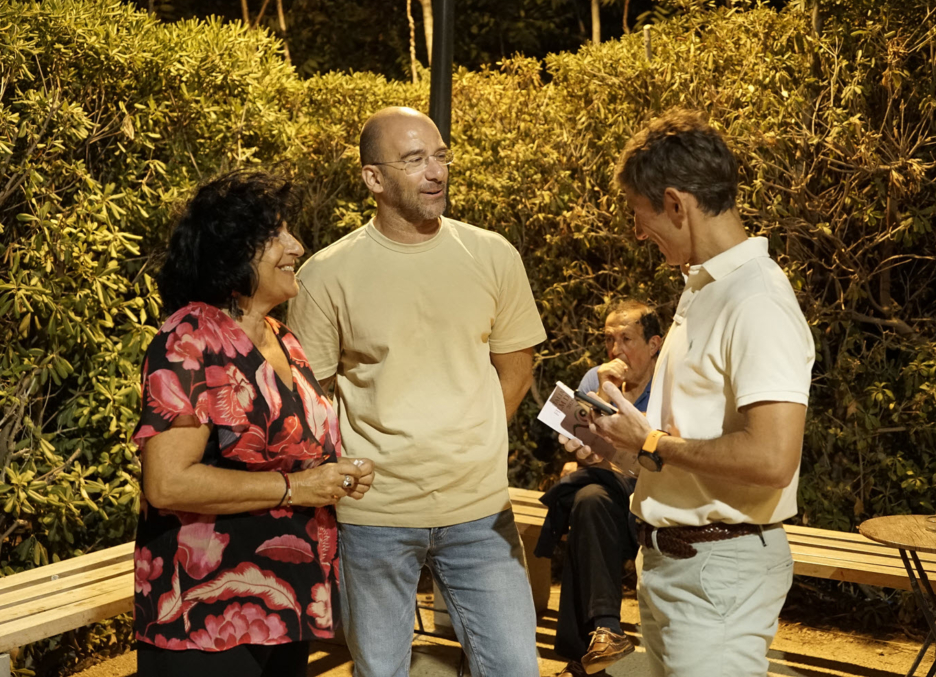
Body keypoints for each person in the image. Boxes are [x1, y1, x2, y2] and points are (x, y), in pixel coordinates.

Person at [288, 106, 547, 677]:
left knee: (514, 667)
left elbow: (516, 367)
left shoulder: (492, 254)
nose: (436, 172)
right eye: (414, 160)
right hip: (373, 516)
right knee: (381, 671)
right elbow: (311, 396)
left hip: (480, 510)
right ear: (373, 179)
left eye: (440, 156)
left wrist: (476, 444)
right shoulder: (326, 274)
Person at [562, 110, 815, 677]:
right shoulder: (704, 290)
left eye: (639, 212)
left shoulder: (756, 300)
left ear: (676, 204)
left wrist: (650, 440)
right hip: (677, 564)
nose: (638, 231)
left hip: (717, 571)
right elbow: (683, 451)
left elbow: (773, 459)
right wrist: (619, 446)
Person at [131, 170, 375, 677]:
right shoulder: (190, 339)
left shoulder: (282, 338)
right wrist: (297, 487)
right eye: (278, 234)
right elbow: (167, 482)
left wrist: (335, 473)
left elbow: (290, 450)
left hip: (286, 602)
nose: (297, 246)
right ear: (234, 251)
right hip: (204, 614)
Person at [541, 301, 662, 677]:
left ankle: (583, 662)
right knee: (588, 499)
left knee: (584, 500)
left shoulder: (668, 384)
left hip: (654, 496)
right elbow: (577, 449)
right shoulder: (594, 379)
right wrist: (603, 393)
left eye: (626, 339)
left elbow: (662, 454)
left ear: (654, 344)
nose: (615, 349)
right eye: (609, 339)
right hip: (608, 497)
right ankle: (605, 632)